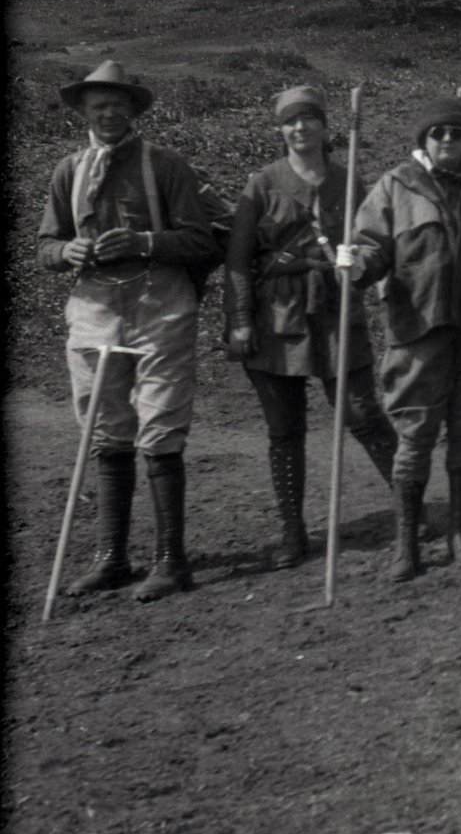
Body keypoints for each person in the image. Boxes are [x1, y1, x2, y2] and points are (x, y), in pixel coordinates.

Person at [37, 59, 222, 601]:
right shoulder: (69, 170)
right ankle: (112, 558)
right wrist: (65, 251)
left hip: (160, 305)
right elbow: (45, 244)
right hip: (93, 307)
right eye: (99, 106)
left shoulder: (165, 166)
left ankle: (171, 561)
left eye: (119, 104)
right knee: (105, 429)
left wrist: (144, 242)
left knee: (161, 426)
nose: (109, 113)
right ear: (83, 112)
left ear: (133, 110)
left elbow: (202, 241)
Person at [224, 85, 400, 570]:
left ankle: (410, 507)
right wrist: (239, 321)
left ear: (324, 126)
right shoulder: (261, 184)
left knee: (363, 412)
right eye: (290, 122)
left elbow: (375, 245)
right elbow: (238, 262)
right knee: (285, 429)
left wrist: (359, 259)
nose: (300, 129)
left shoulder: (348, 181)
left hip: (336, 310)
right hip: (275, 316)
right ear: (280, 131)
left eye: (308, 120)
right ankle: (292, 531)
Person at [345, 98, 461, 580]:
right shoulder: (395, 187)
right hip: (418, 329)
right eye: (438, 134)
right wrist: (357, 263)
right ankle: (407, 543)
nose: (448, 142)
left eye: (457, 134)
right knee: (415, 436)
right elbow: (372, 246)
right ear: (423, 141)